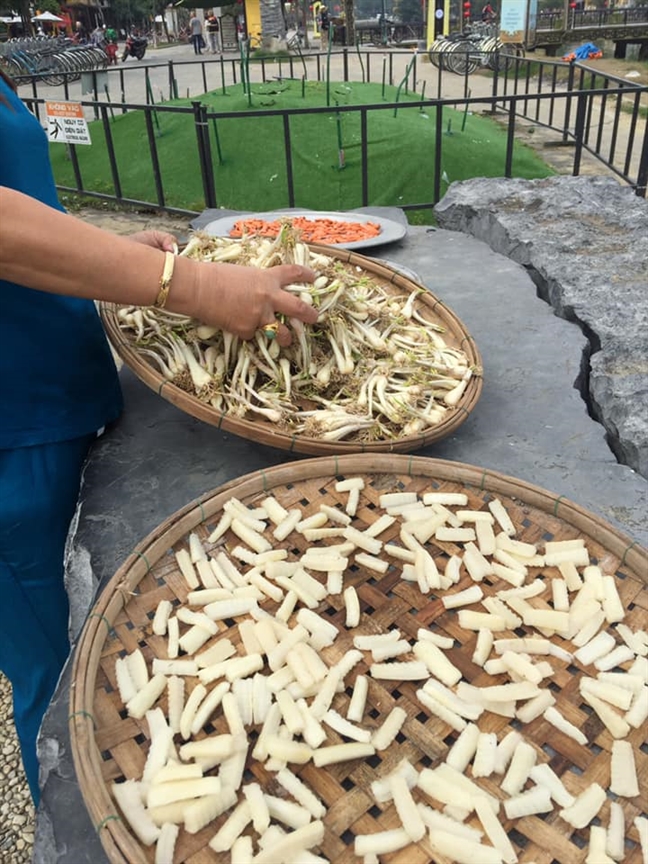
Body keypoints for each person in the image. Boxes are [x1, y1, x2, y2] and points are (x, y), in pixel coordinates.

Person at [0, 67, 317, 806]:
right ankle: (78, 820)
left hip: (60, 393)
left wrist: (124, 259)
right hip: (13, 432)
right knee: (64, 674)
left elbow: (21, 206)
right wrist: (194, 285)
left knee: (130, 644)